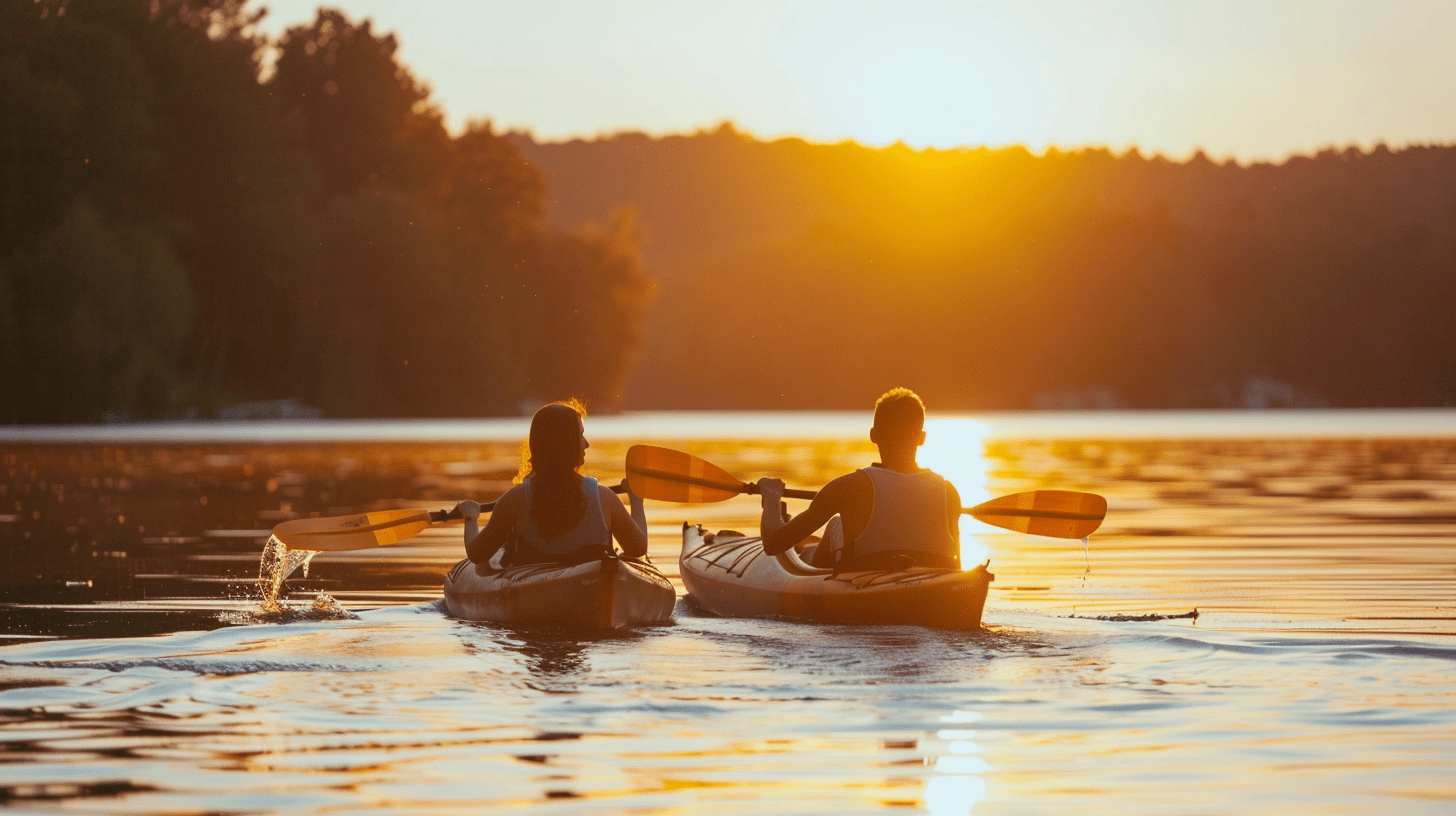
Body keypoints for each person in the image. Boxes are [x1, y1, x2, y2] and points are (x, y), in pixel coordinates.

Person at [757, 387, 961, 571]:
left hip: (863, 580)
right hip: (933, 584)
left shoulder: (848, 487)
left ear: (873, 435)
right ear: (922, 438)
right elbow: (955, 567)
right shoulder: (948, 492)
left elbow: (774, 544)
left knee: (835, 526)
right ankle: (809, 550)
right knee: (836, 526)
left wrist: (772, 498)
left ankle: (807, 552)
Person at [454, 399, 648, 567]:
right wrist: (636, 501)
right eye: (579, 435)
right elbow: (638, 549)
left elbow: (477, 555)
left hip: (537, 595)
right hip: (592, 585)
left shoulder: (514, 500)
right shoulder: (605, 498)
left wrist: (471, 517)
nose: (586, 443)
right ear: (566, 443)